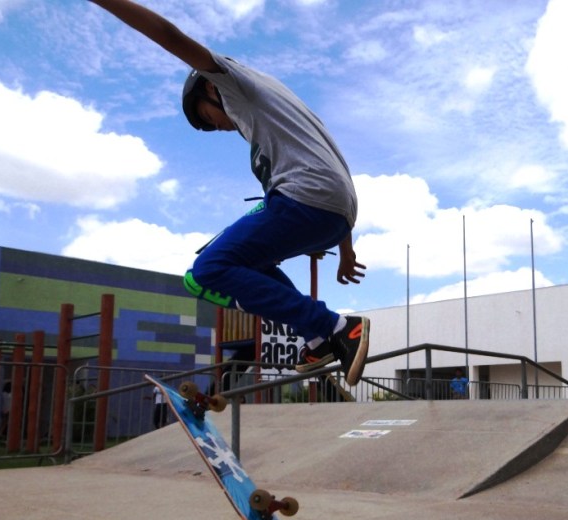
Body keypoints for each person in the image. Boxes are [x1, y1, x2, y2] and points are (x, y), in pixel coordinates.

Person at [89, 0, 370, 386]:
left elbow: (168, 36)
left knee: (209, 268)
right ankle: (319, 338)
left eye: (210, 118)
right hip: (333, 209)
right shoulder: (286, 111)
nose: (221, 127)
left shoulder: (234, 84)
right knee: (247, 261)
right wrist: (346, 248)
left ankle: (335, 326)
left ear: (209, 89)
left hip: (306, 197)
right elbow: (332, 177)